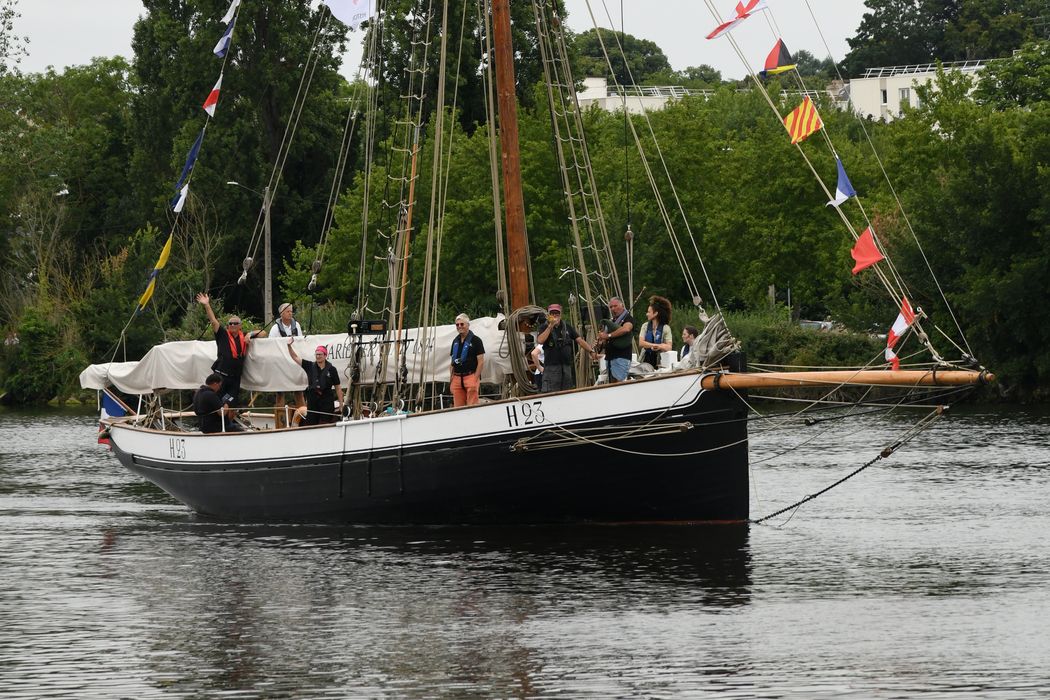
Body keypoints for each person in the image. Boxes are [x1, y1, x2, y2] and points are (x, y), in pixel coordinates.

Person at [196, 292, 263, 406]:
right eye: (230, 324)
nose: (232, 325)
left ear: (240, 326)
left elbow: (263, 333)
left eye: (235, 323)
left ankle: (229, 423)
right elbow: (213, 321)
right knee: (218, 402)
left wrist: (250, 334)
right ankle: (218, 422)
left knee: (232, 402)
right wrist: (207, 305)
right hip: (221, 376)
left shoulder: (244, 335)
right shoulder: (222, 334)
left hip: (235, 378)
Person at [535, 303, 597, 392]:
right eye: (552, 313)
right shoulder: (544, 327)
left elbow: (579, 340)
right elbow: (540, 340)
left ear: (561, 314)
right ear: (549, 315)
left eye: (557, 313)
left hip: (566, 367)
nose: (555, 315)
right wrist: (550, 327)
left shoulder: (567, 327)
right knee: (551, 392)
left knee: (566, 391)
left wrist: (591, 351)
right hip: (552, 367)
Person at [287, 340, 344, 426]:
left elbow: (338, 388)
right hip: (313, 401)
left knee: (324, 424)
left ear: (325, 355)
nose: (318, 356)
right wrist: (289, 346)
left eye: (320, 354)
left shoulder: (332, 370)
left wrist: (341, 404)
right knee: (311, 424)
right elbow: (295, 357)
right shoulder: (309, 366)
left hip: (326, 402)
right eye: (316, 354)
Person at [267, 302, 305, 425]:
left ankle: (303, 419)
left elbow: (300, 342)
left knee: (299, 391)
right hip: (281, 365)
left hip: (294, 363)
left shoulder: (297, 325)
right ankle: (280, 422)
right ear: (282, 313)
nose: (290, 313)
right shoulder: (275, 328)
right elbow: (271, 346)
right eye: (288, 311)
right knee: (280, 393)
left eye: (291, 311)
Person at [449, 313, 485, 407]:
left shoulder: (476, 340)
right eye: (457, 325)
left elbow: (481, 362)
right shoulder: (455, 341)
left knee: (472, 407)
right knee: (458, 408)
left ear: (468, 325)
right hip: (457, 378)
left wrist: (475, 378)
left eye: (462, 324)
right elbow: (452, 362)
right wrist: (451, 380)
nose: (459, 326)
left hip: (470, 376)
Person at [597, 297, 635, 383]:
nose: (613, 309)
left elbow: (626, 329)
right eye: (611, 307)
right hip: (610, 358)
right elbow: (605, 340)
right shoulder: (612, 321)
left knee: (618, 385)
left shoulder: (628, 318)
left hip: (621, 357)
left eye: (615, 306)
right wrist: (601, 341)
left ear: (622, 305)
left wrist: (608, 335)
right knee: (612, 384)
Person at [638, 295, 673, 368]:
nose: (646, 314)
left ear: (655, 313)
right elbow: (641, 343)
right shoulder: (645, 326)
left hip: (659, 362)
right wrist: (654, 345)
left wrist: (659, 346)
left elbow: (669, 347)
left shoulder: (666, 328)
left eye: (649, 312)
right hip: (645, 361)